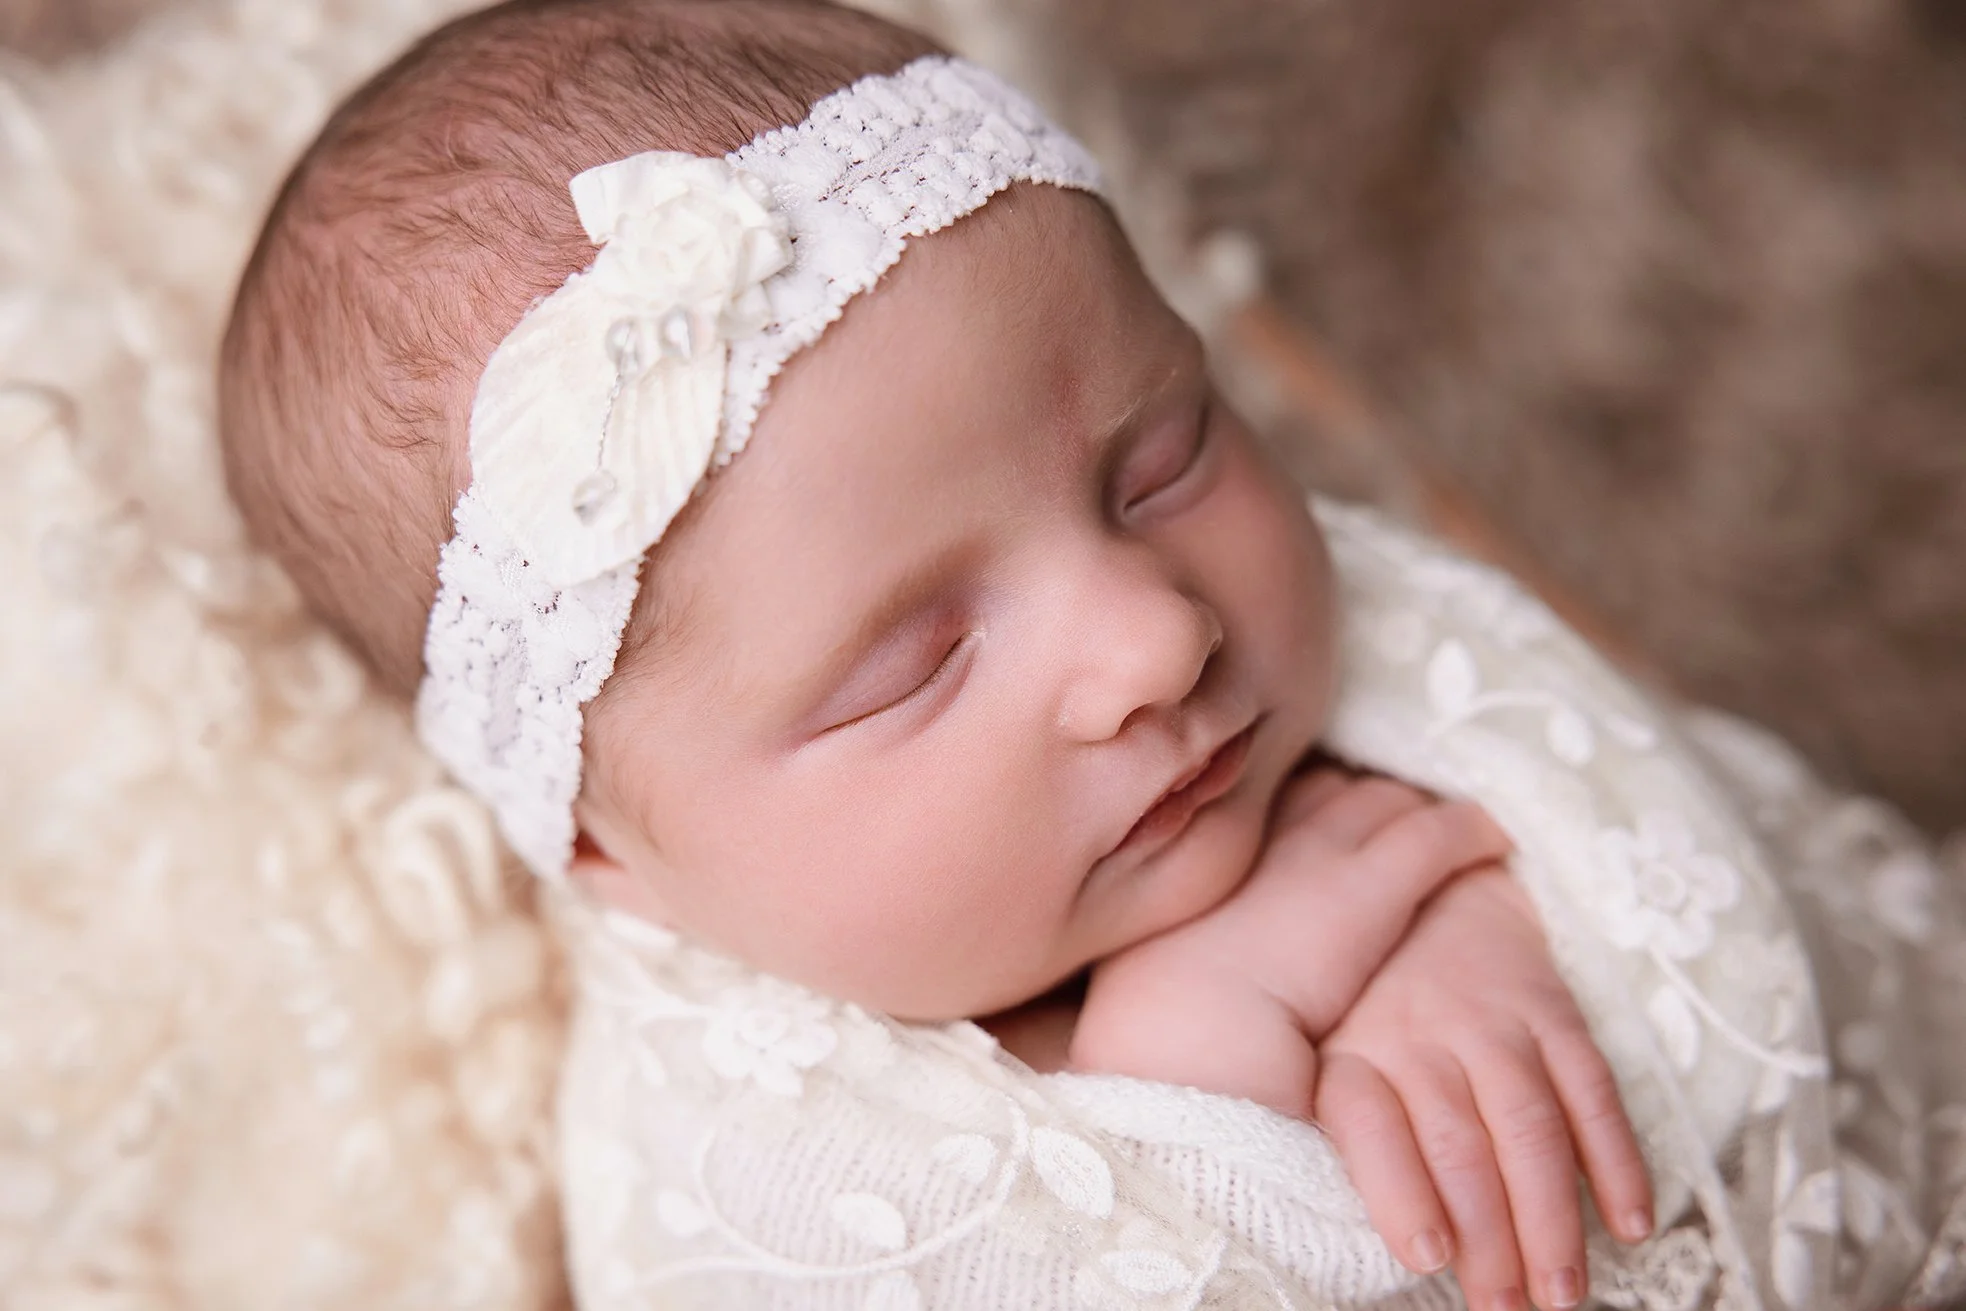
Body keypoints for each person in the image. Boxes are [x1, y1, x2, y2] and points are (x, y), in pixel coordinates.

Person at [217, 1, 1654, 1306]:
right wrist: (1212, 1053)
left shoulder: (1348, 689)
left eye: (1161, 461)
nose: (1157, 633)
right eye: (917, 665)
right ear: (608, 854)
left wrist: (1496, 930)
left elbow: (1687, 870)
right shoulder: (752, 1161)